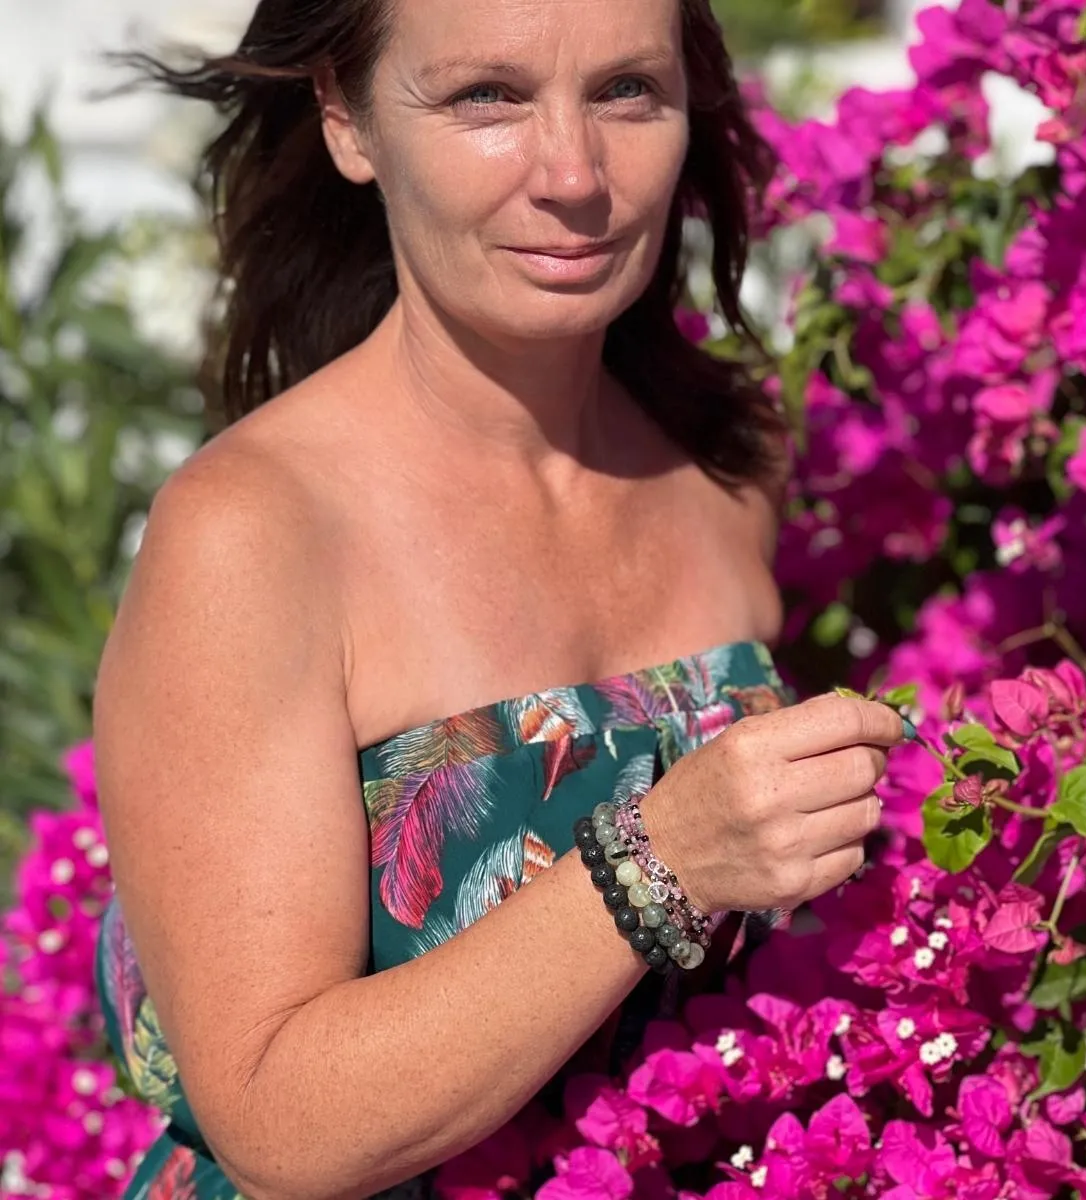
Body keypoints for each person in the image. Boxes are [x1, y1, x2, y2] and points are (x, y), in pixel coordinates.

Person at [92, 0, 905, 1196]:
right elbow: (273, 1118)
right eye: (488, 97)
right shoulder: (254, 534)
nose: (575, 174)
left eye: (628, 91)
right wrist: (663, 860)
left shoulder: (725, 466)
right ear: (346, 118)